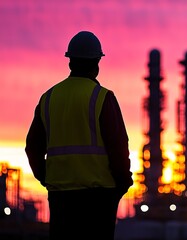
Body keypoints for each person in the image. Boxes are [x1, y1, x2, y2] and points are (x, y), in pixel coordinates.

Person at [25, 31, 133, 240]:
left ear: (70, 62)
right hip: (98, 197)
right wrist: (123, 182)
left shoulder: (49, 98)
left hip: (61, 196)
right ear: (97, 63)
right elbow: (118, 146)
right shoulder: (102, 97)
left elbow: (33, 147)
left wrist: (47, 178)